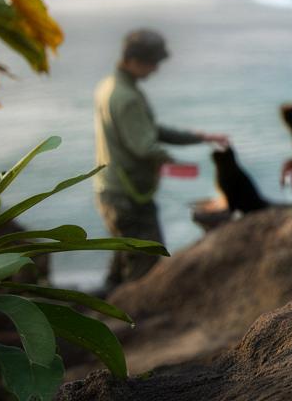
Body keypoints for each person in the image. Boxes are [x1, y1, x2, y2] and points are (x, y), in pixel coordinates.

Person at [93, 29, 229, 291]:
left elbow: (148, 129)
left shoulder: (109, 85)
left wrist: (200, 137)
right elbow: (145, 146)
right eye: (152, 63)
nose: (155, 69)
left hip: (110, 189)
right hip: (129, 195)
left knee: (122, 260)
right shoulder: (128, 97)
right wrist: (173, 162)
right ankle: (132, 328)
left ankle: (100, 317)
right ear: (134, 60)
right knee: (146, 268)